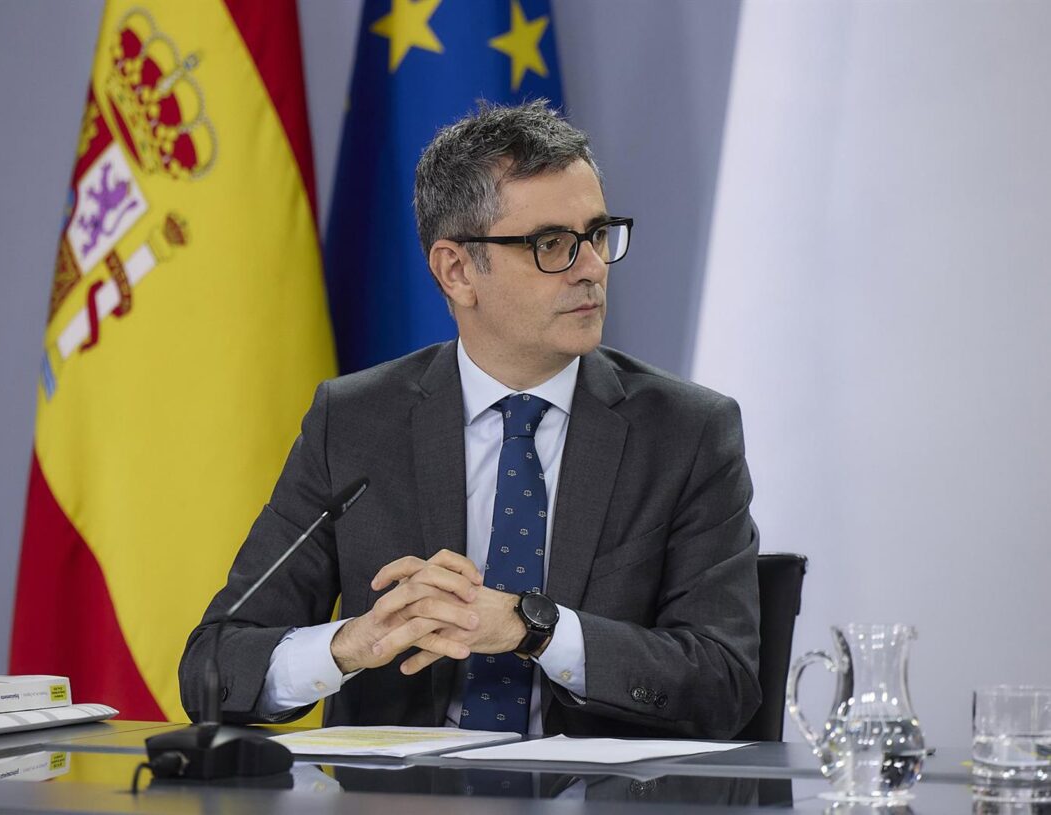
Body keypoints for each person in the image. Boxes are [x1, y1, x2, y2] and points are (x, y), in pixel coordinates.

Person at [180, 101, 760, 738]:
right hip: (400, 791)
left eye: (597, 235)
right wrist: (350, 644)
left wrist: (534, 629)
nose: (592, 268)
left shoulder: (686, 433)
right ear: (456, 271)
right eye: (552, 245)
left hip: (599, 791)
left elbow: (725, 683)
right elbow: (213, 667)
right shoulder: (353, 424)